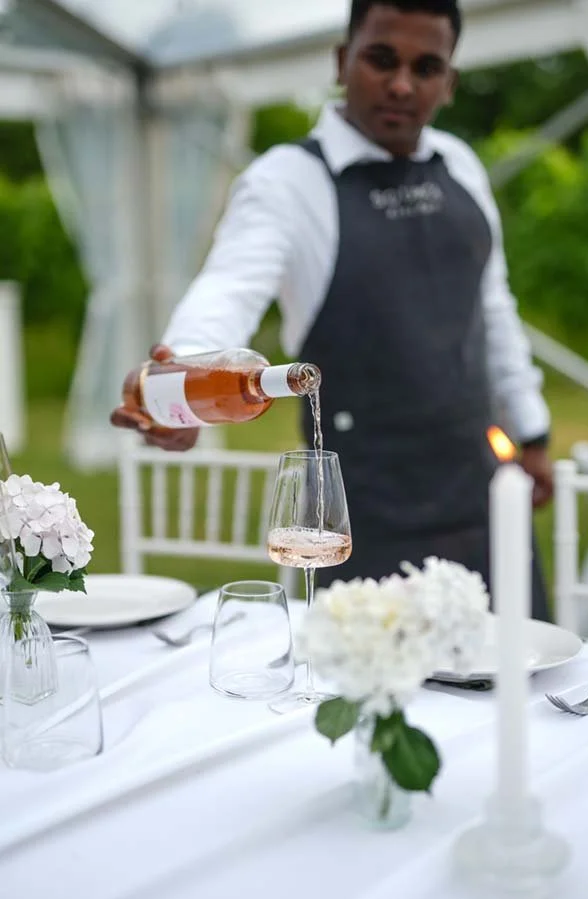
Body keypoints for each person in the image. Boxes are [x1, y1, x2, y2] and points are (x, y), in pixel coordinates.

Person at [111, 0, 553, 620]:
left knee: (514, 687)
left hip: (476, 486)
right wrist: (182, 385)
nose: (401, 84)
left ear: (449, 83)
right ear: (343, 60)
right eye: (381, 59)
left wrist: (531, 432)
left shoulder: (461, 166)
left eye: (426, 67)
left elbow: (493, 308)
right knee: (372, 693)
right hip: (364, 505)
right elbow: (226, 291)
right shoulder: (286, 181)